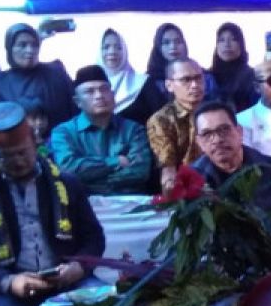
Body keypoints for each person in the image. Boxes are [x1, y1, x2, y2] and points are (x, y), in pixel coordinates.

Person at [0, 102, 105, 306]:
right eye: (5, 156)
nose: (17, 162)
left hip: (67, 282)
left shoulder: (66, 182)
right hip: (9, 290)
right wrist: (7, 281)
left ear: (35, 143)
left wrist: (78, 268)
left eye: (22, 153)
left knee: (107, 305)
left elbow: (94, 237)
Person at [191, 101, 271, 244]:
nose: (217, 139)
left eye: (224, 130)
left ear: (239, 132)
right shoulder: (193, 182)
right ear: (199, 142)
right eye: (207, 134)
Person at [51, 65, 154, 195]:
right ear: (77, 101)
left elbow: (140, 171)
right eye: (90, 91)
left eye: (104, 89)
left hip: (130, 202)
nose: (99, 95)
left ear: (113, 95)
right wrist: (115, 161)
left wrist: (91, 181)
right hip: (85, 204)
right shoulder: (63, 132)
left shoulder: (133, 129)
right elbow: (68, 169)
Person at [0, 23, 77, 126]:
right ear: (10, 48)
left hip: (62, 140)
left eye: (34, 45)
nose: (30, 50)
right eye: (22, 45)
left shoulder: (56, 72)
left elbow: (76, 107)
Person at [148, 58, 206, 193]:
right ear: (169, 85)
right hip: (187, 188)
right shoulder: (161, 120)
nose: (195, 85)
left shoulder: (217, 111)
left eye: (199, 78)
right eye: (186, 80)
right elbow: (168, 168)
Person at [99, 28, 159, 126]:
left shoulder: (143, 83)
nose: (112, 51)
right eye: (106, 47)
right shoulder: (91, 88)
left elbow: (160, 119)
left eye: (118, 47)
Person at [207, 22, 259, 112]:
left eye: (233, 39)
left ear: (241, 45)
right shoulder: (207, 76)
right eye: (221, 40)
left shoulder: (252, 76)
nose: (227, 44)